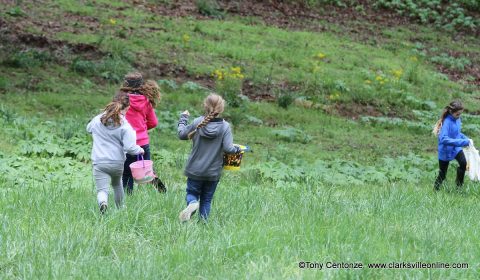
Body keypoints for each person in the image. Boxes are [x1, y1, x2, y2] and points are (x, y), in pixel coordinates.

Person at [177, 93, 242, 222]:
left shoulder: (197, 122)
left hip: (195, 170)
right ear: (221, 108)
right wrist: (237, 149)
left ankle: (192, 203)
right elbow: (229, 148)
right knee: (206, 199)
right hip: (213, 172)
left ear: (205, 106)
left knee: (192, 194)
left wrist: (183, 118)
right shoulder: (225, 127)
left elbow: (181, 134)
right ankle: (204, 224)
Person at [87, 92, 144, 214]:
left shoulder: (98, 119)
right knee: (117, 185)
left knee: (102, 189)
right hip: (117, 162)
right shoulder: (125, 125)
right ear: (127, 108)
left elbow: (88, 128)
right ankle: (121, 208)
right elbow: (130, 148)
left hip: (99, 161)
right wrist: (140, 150)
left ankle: (103, 202)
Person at [120, 72, 166, 194]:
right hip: (143, 143)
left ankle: (127, 197)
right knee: (147, 169)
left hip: (126, 143)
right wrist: (143, 129)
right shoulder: (146, 100)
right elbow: (154, 122)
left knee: (126, 173)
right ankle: (162, 190)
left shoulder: (121, 102)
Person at [433, 100, 473, 190]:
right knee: (442, 174)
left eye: (460, 114)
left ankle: (459, 187)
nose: (459, 116)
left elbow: (457, 134)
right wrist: (462, 142)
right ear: (451, 112)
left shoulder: (457, 119)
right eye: (457, 114)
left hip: (456, 148)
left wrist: (467, 139)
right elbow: (443, 139)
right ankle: (435, 190)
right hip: (445, 150)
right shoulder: (447, 122)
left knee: (463, 164)